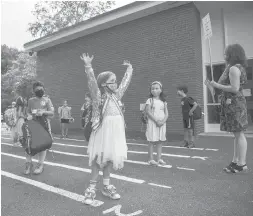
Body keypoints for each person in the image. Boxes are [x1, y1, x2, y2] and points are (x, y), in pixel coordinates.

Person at [80, 53, 133, 205]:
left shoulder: (117, 96)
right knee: (98, 160)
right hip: (102, 133)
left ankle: (106, 186)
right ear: (103, 84)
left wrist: (130, 69)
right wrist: (88, 66)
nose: (116, 84)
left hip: (116, 134)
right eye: (112, 82)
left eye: (116, 81)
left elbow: (125, 83)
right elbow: (91, 82)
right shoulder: (98, 97)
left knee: (109, 160)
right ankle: (91, 188)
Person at [205, 43, 248, 173]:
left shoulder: (234, 69)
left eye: (226, 52)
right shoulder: (235, 67)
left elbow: (234, 89)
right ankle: (235, 161)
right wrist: (211, 86)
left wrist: (217, 85)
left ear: (232, 54)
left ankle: (242, 164)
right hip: (234, 103)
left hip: (235, 104)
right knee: (236, 134)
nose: (224, 55)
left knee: (239, 134)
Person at [25, 81, 54, 175]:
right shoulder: (30, 100)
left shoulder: (47, 100)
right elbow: (28, 112)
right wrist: (29, 116)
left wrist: (43, 112)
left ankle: (40, 165)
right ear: (33, 91)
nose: (40, 91)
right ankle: (28, 163)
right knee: (29, 144)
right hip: (32, 124)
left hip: (44, 124)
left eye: (41, 89)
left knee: (43, 146)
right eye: (37, 89)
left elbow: (52, 112)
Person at [145, 81, 168, 166]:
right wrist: (156, 121)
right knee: (151, 141)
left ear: (161, 90)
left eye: (157, 88)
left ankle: (159, 158)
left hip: (162, 124)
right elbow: (148, 111)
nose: (154, 90)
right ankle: (151, 159)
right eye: (152, 89)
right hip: (152, 123)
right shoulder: (150, 100)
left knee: (160, 141)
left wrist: (163, 121)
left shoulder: (164, 101)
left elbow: (167, 113)